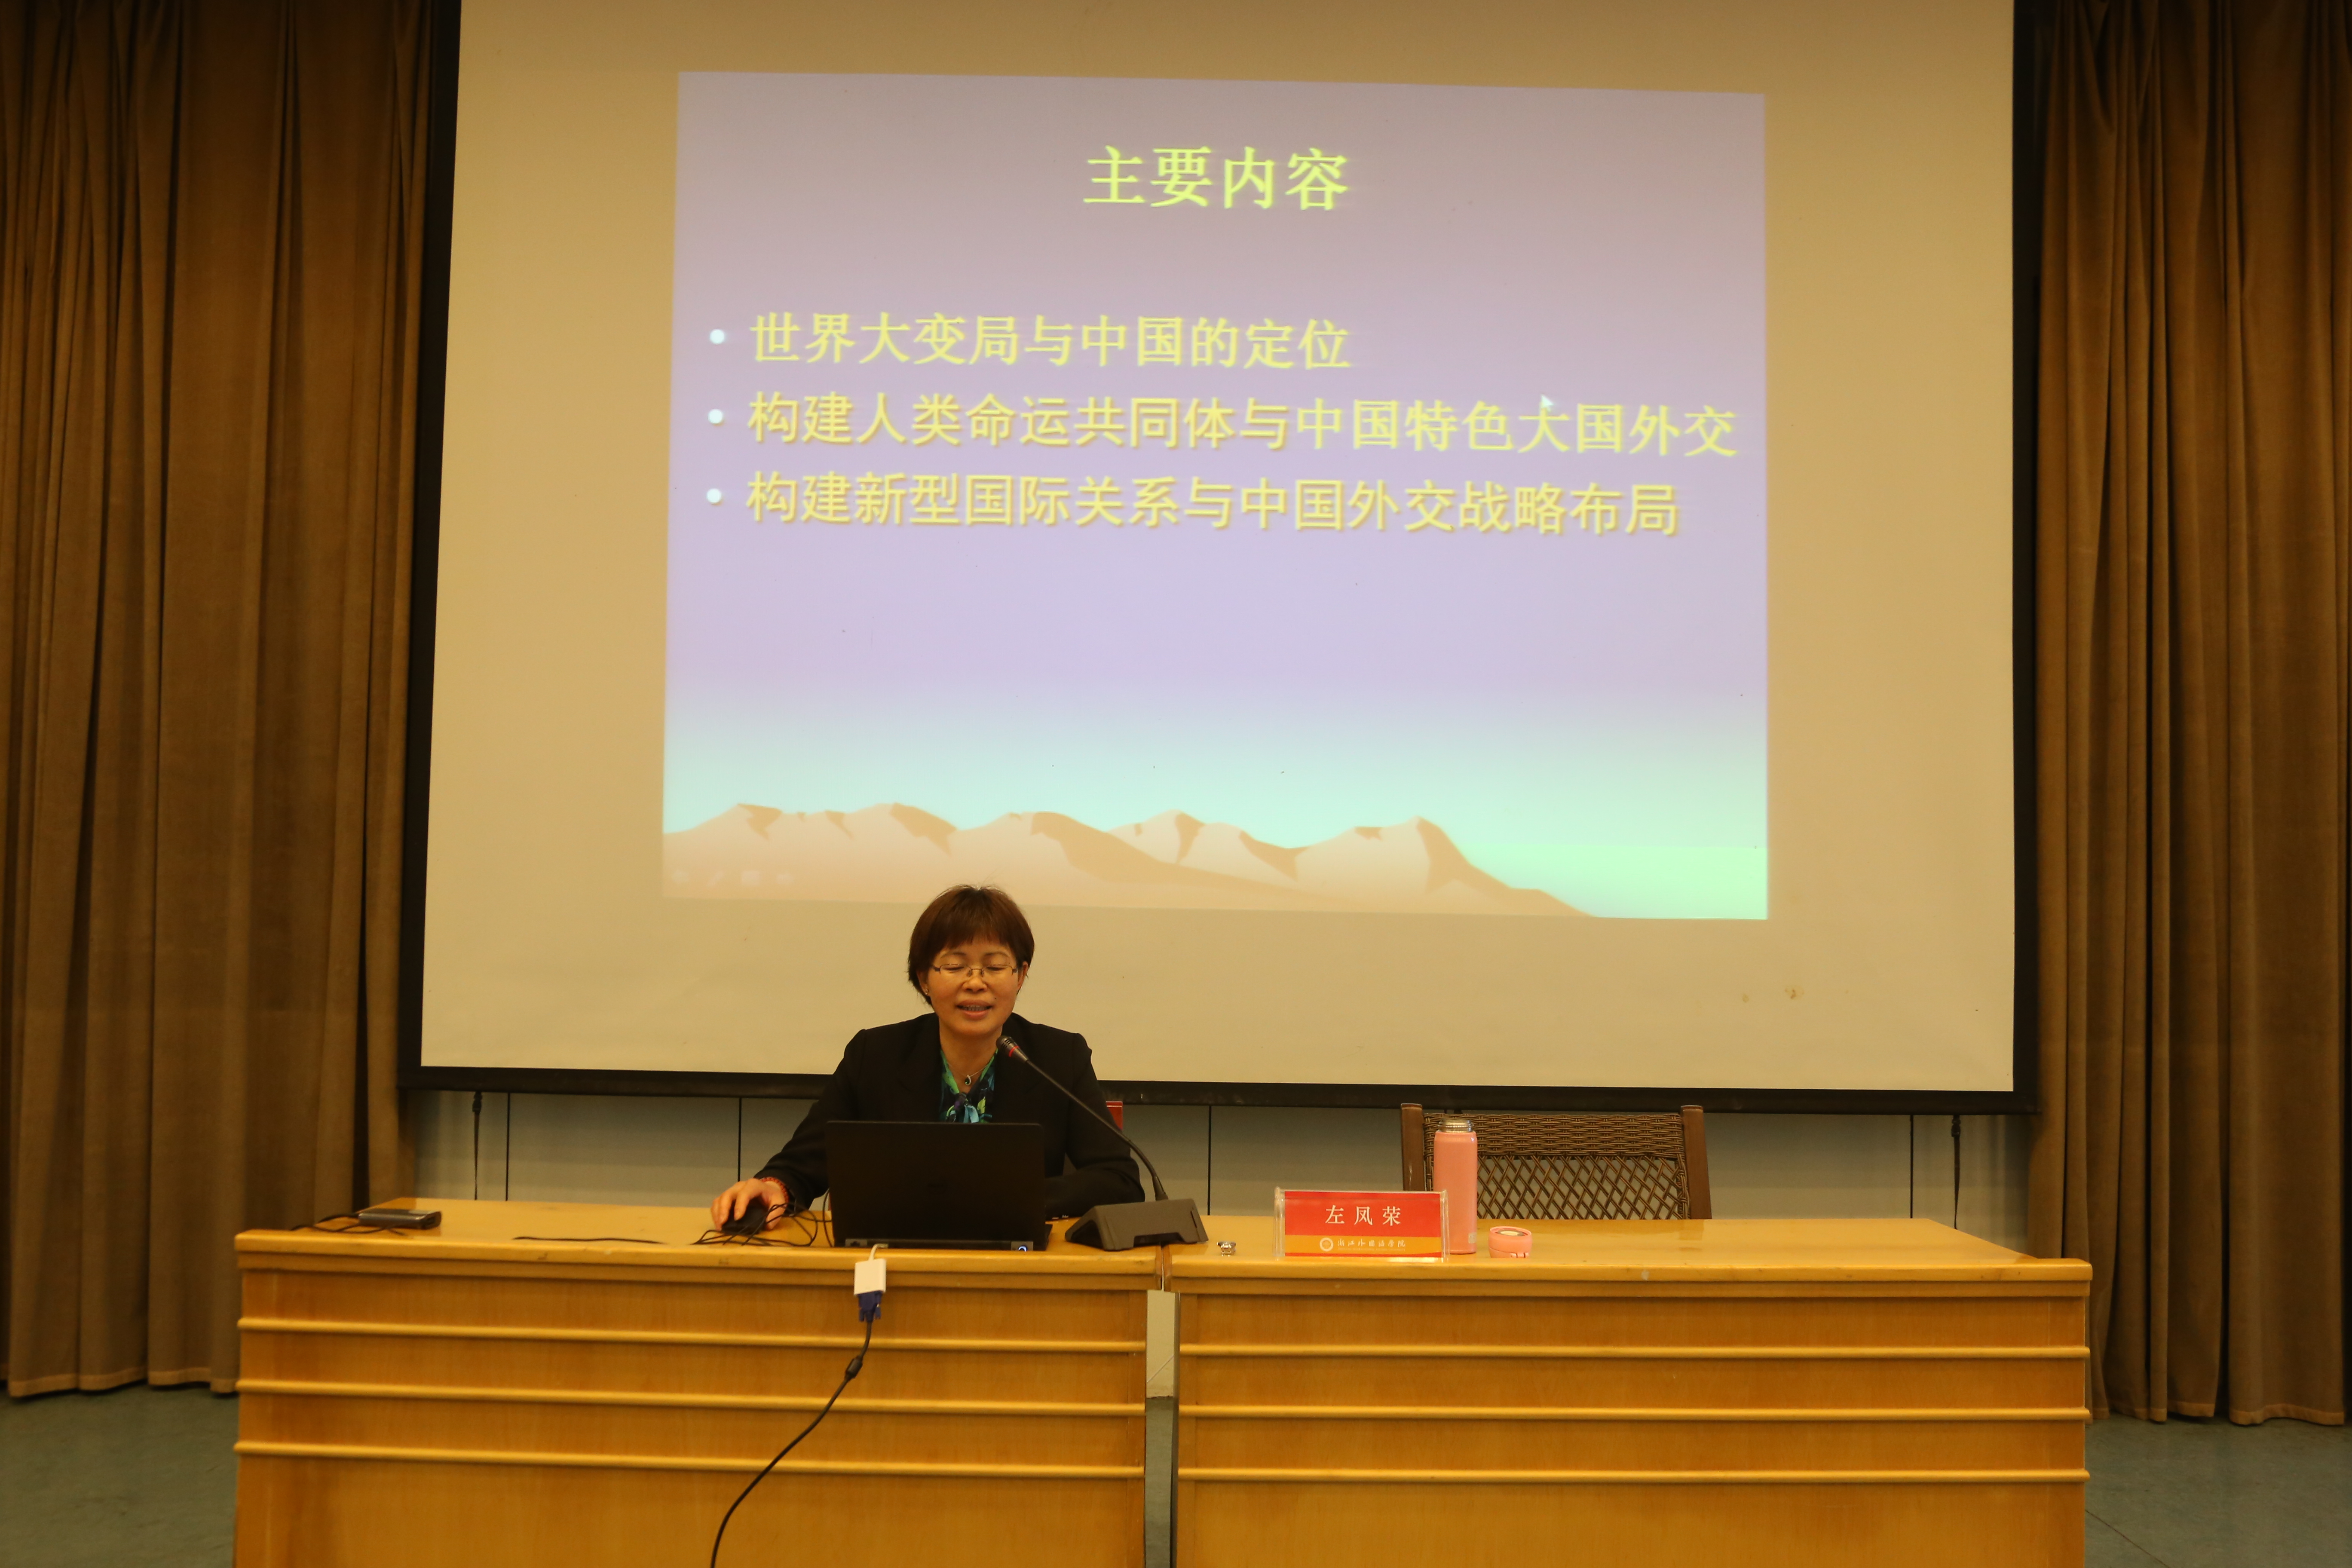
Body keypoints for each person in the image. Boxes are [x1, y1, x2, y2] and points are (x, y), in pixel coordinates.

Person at [710, 884, 1143, 1231]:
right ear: (923, 978)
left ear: (1021, 976)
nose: (975, 983)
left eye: (995, 967)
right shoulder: (876, 1056)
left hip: (1017, 1264)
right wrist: (775, 1187)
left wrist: (1016, 1200)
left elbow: (1118, 1180)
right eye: (954, 966)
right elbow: (802, 1164)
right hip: (897, 1262)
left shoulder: (1056, 1058)